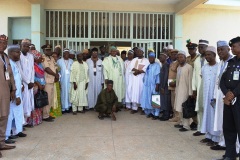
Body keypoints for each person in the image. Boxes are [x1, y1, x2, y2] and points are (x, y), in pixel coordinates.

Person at [212, 41, 235, 151]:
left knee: (231, 122)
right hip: (220, 95)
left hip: (229, 97)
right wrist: (214, 96)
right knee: (222, 121)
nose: (220, 51)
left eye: (222, 49)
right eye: (218, 50)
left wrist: (228, 95)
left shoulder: (233, 62)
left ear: (228, 49)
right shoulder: (220, 63)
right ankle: (222, 143)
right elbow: (217, 81)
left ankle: (234, 147)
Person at [220, 36, 240, 160]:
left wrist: (234, 93)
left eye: (234, 46)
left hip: (238, 101)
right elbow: (222, 79)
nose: (231, 48)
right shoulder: (231, 62)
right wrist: (226, 93)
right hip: (229, 101)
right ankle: (230, 155)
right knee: (229, 129)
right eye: (231, 46)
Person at [5, 45, 26, 144]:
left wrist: (21, 85)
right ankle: (6, 136)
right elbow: (8, 80)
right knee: (9, 115)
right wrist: (15, 95)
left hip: (18, 92)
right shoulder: (8, 64)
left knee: (17, 113)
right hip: (13, 95)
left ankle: (17, 131)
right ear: (11, 53)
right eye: (17, 52)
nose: (19, 54)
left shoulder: (14, 63)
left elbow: (17, 78)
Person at [200, 46, 220, 146]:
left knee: (214, 116)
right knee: (206, 114)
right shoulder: (204, 67)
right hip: (206, 95)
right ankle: (208, 136)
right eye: (206, 55)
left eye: (209, 55)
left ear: (214, 55)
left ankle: (215, 138)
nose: (207, 56)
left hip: (215, 96)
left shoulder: (219, 66)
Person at [0, 34, 16, 157]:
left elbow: (10, 75)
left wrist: (13, 89)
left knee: (4, 116)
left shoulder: (5, 57)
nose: (3, 45)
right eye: (1, 43)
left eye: (5, 43)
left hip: (5, 92)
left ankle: (1, 143)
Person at [192, 39, 209, 136]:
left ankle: (207, 130)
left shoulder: (211, 59)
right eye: (199, 47)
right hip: (199, 87)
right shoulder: (197, 60)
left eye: (202, 47)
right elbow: (194, 75)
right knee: (199, 108)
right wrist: (194, 89)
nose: (200, 49)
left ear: (207, 47)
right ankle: (200, 128)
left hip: (208, 88)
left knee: (207, 108)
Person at [173, 51, 193, 132]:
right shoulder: (178, 68)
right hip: (178, 90)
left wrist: (190, 92)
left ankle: (186, 125)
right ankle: (181, 122)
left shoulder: (189, 67)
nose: (179, 59)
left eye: (181, 57)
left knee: (185, 108)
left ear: (185, 58)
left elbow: (190, 80)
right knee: (179, 107)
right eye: (178, 57)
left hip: (186, 90)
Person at [126, 48, 149, 114]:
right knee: (134, 92)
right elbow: (131, 67)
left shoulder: (146, 60)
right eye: (138, 52)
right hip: (134, 78)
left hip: (141, 78)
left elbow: (146, 68)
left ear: (143, 53)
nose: (139, 53)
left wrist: (138, 72)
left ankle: (143, 108)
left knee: (142, 92)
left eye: (140, 52)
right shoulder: (134, 59)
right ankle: (134, 108)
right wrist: (135, 71)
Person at [17, 39, 35, 126]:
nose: (26, 48)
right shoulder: (18, 56)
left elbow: (32, 69)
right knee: (23, 102)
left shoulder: (31, 56)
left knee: (29, 102)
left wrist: (32, 81)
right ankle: (21, 123)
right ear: (21, 46)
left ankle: (26, 121)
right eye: (24, 46)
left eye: (27, 46)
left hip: (30, 83)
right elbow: (20, 70)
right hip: (23, 83)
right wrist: (27, 82)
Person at [41, 44, 59, 122]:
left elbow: (55, 67)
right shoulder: (43, 58)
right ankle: (45, 116)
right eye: (47, 50)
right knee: (47, 99)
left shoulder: (51, 58)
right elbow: (47, 69)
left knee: (51, 98)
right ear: (44, 51)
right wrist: (55, 75)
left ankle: (48, 114)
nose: (49, 51)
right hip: (47, 81)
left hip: (52, 81)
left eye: (49, 50)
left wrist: (57, 75)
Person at [141, 52, 160, 120]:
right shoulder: (149, 66)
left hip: (154, 85)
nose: (150, 59)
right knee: (149, 99)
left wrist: (157, 85)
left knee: (155, 99)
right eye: (149, 57)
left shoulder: (157, 65)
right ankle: (152, 113)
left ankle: (156, 114)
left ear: (154, 58)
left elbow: (158, 76)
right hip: (147, 86)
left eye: (152, 57)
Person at [186, 40, 199, 130]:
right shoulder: (187, 59)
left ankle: (197, 122)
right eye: (189, 49)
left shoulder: (199, 59)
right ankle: (193, 121)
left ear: (195, 49)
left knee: (196, 104)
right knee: (190, 104)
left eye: (192, 49)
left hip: (196, 84)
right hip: (188, 84)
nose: (190, 50)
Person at [57, 49, 73, 113]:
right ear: (63, 54)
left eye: (68, 53)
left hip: (70, 80)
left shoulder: (71, 61)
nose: (66, 55)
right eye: (65, 53)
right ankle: (63, 107)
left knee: (69, 93)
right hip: (62, 80)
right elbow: (58, 72)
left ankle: (68, 107)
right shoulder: (59, 61)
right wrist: (59, 81)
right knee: (63, 93)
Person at [159, 52, 171, 121]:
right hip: (162, 86)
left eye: (161, 57)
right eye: (159, 57)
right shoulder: (162, 65)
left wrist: (163, 87)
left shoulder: (166, 65)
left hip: (165, 86)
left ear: (165, 57)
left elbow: (166, 77)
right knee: (163, 100)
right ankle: (164, 114)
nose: (160, 58)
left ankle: (166, 116)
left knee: (166, 101)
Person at [168, 49, 179, 122]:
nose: (173, 56)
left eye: (175, 54)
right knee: (172, 101)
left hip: (175, 84)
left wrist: (175, 82)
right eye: (172, 54)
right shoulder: (171, 63)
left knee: (176, 102)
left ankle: (177, 116)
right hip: (170, 84)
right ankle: (175, 115)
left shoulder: (178, 63)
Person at [50, 52, 63, 117]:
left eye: (56, 57)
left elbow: (59, 74)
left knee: (57, 97)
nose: (54, 58)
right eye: (53, 56)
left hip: (57, 82)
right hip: (51, 81)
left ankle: (57, 112)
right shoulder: (49, 64)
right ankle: (51, 113)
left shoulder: (58, 65)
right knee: (51, 97)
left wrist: (60, 83)